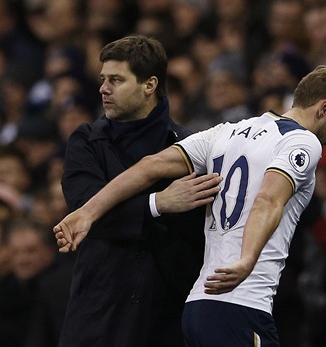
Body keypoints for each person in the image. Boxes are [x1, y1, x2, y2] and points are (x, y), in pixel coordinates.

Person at [54, 65, 326, 346]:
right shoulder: (302, 142)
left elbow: (149, 166)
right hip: (241, 305)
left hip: (197, 308)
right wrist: (246, 261)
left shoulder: (226, 132)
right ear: (324, 108)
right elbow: (268, 199)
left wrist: (88, 211)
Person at [57, 35, 221, 347]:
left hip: (166, 317)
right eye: (103, 79)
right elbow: (86, 211)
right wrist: (158, 203)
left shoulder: (190, 149)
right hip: (100, 313)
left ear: (149, 85)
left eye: (116, 80)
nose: (103, 89)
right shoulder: (87, 142)